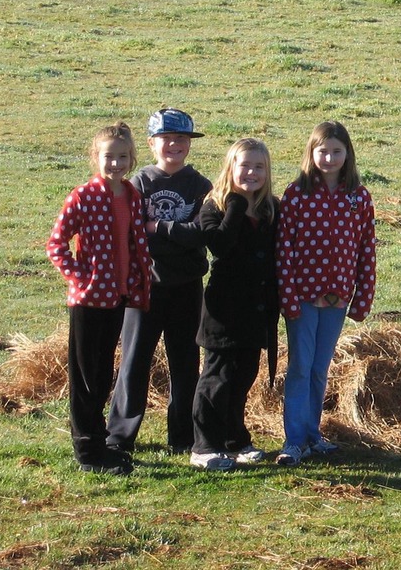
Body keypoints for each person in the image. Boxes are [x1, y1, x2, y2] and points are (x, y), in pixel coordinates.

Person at [47, 122, 153, 475]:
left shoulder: (132, 195)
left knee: (104, 372)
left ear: (132, 159)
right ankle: (87, 452)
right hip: (88, 300)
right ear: (96, 157)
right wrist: (82, 276)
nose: (116, 164)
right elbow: (57, 245)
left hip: (119, 297)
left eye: (123, 157)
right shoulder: (82, 196)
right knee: (85, 377)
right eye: (109, 157)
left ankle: (101, 442)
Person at [107, 108, 211, 456]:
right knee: (134, 361)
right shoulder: (138, 184)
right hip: (144, 286)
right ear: (152, 143)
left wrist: (160, 229)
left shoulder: (201, 186)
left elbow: (200, 235)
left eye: (181, 139)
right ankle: (119, 437)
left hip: (187, 286)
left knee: (185, 363)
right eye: (167, 138)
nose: (174, 145)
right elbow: (134, 234)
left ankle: (182, 437)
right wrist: (173, 235)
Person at [275, 121, 377, 466]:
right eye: (323, 151)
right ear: (311, 153)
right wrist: (287, 297)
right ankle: (294, 440)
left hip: (338, 299)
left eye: (336, 151)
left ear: (347, 154)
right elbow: (283, 248)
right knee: (300, 367)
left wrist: (363, 297)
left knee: (320, 368)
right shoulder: (297, 194)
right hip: (302, 299)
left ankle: (313, 434)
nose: (330, 157)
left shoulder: (358, 197)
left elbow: (366, 248)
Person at [190, 139, 280, 471]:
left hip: (257, 308)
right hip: (223, 310)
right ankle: (204, 445)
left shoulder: (273, 208)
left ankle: (234, 439)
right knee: (217, 377)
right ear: (231, 167)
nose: (252, 172)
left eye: (259, 167)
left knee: (244, 376)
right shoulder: (213, 205)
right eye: (245, 165)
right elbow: (221, 247)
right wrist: (237, 206)